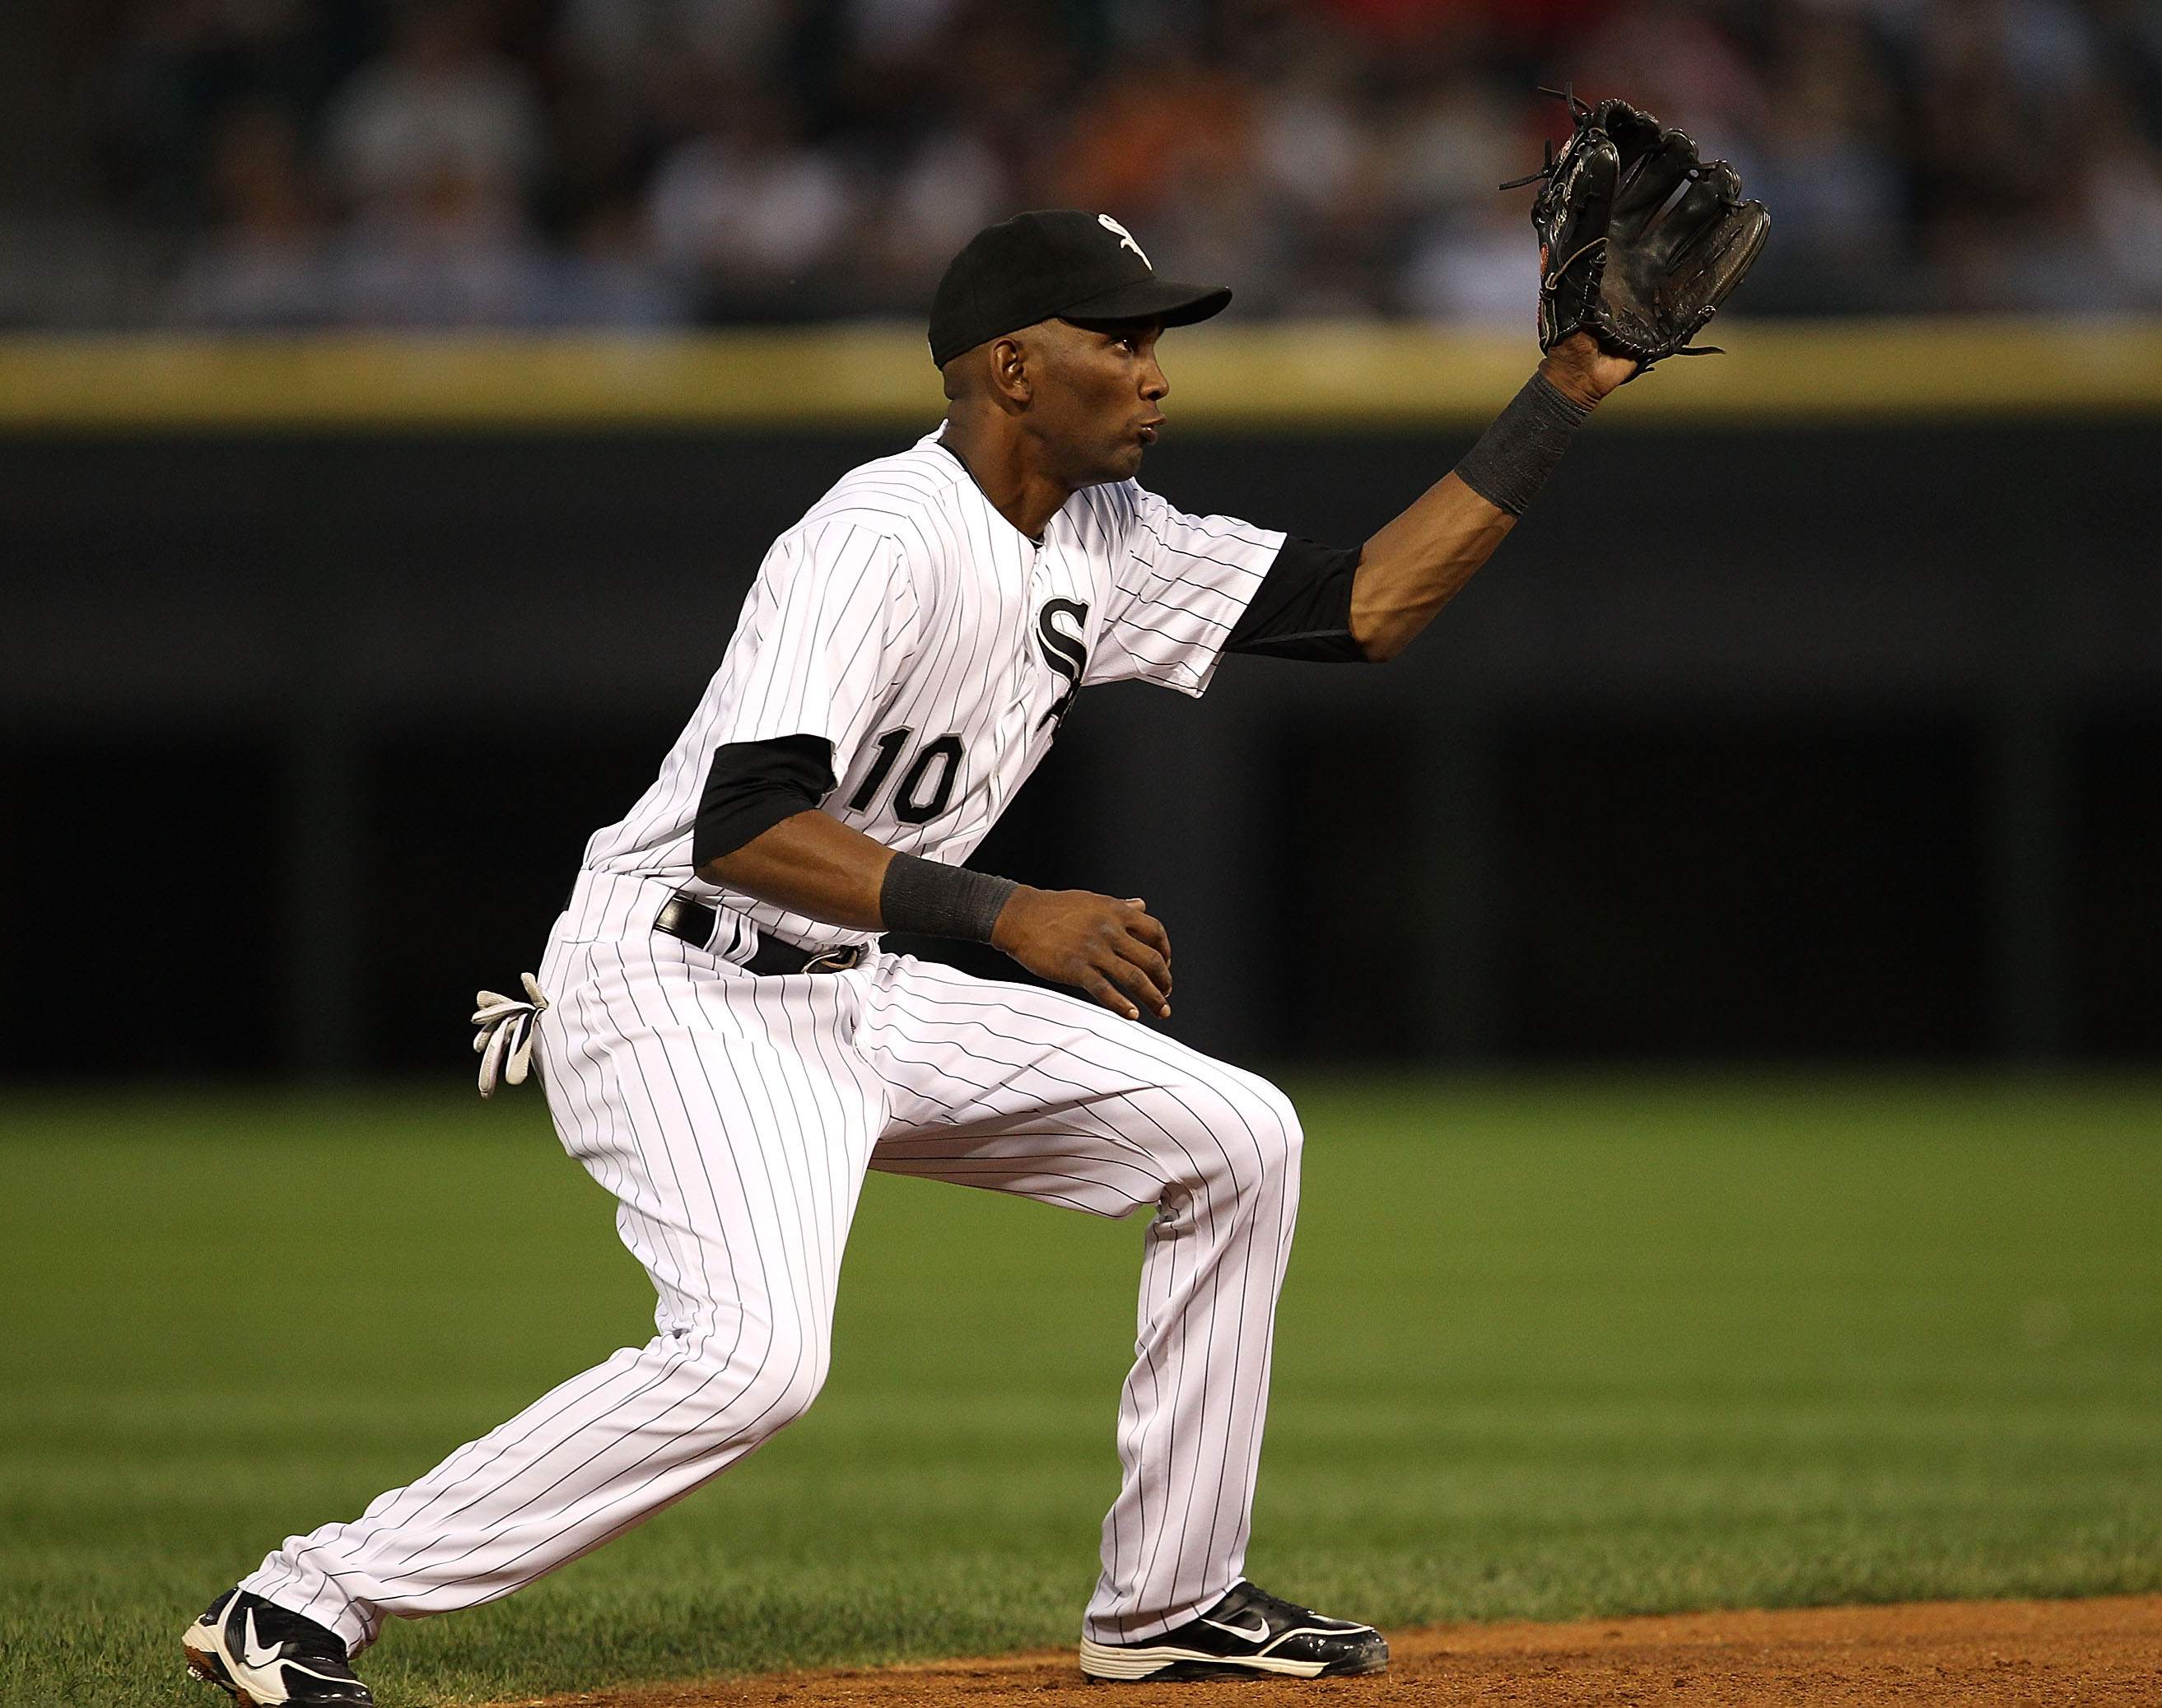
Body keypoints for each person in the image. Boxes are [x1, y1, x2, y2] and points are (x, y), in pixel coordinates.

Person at [182, 207, 1637, 1707]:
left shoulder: (1102, 534)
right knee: (753, 1363)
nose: (1154, 375)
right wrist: (1010, 915)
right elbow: (743, 826)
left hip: (857, 986)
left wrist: (1567, 391)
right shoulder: (876, 535)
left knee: (1237, 1136)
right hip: (680, 978)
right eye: (1119, 339)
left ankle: (1173, 1599)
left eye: (1156, 343)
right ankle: (301, 1601)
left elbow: (1363, 611)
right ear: (1011, 368)